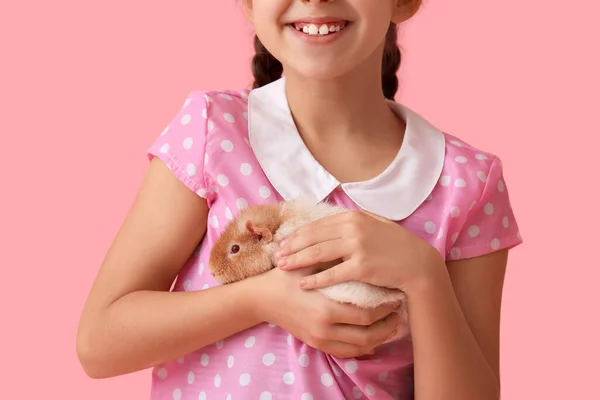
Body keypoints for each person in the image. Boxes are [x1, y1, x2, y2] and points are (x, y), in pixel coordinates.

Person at [76, 1, 523, 399]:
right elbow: (100, 345)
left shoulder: (467, 182)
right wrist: (262, 299)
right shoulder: (212, 131)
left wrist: (424, 275)